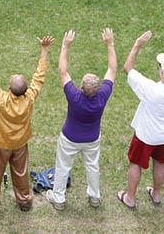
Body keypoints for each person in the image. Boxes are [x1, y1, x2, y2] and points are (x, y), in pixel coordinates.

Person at [0, 36, 54, 214]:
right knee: (21, 172)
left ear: (10, 88)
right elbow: (39, 77)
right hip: (20, 143)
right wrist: (44, 49)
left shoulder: (0, 98)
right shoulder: (29, 98)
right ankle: (24, 201)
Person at [116, 26, 164, 209]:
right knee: (160, 163)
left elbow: (127, 68)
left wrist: (137, 45)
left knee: (135, 164)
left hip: (146, 135)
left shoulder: (151, 89)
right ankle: (156, 194)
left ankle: (130, 198)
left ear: (162, 73)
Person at [45, 29, 116, 210]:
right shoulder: (103, 96)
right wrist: (110, 44)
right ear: (97, 88)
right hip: (92, 139)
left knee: (63, 167)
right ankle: (94, 197)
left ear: (81, 87)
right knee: (93, 167)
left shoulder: (74, 95)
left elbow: (62, 70)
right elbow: (113, 69)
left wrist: (65, 45)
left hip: (69, 138)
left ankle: (59, 198)